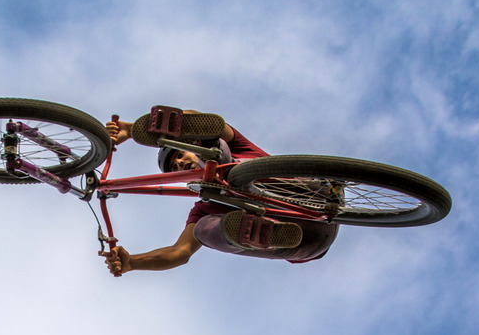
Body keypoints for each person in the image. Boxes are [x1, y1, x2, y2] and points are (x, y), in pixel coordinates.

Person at [98, 107, 339, 275]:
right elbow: (178, 253)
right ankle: (258, 231)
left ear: (192, 146)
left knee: (223, 151)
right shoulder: (203, 210)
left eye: (180, 155)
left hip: (314, 195)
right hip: (305, 242)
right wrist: (132, 263)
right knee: (203, 230)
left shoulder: (240, 148)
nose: (179, 163)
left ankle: (207, 156)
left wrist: (131, 129)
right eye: (174, 167)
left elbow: (207, 122)